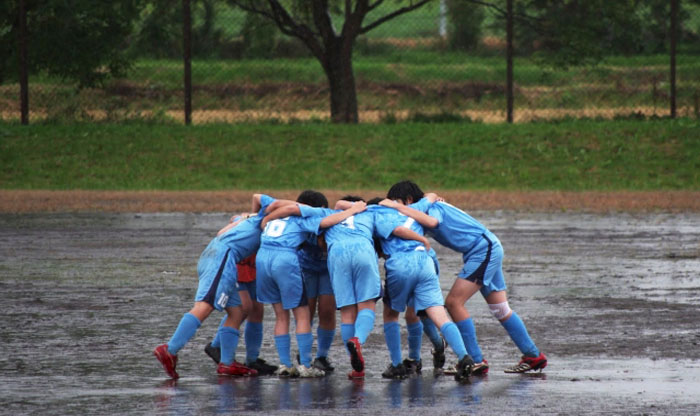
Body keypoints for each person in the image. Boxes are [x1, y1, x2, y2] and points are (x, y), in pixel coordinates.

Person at [382, 181, 547, 374]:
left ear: (409, 200)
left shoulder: (433, 208)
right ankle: (533, 356)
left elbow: (433, 222)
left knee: (453, 303)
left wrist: (398, 206)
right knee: (500, 309)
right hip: (484, 249)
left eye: (399, 203)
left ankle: (475, 360)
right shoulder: (424, 208)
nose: (397, 209)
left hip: (483, 250)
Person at [153, 194, 280, 379]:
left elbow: (226, 227)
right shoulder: (264, 222)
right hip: (222, 258)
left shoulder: (249, 220)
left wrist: (249, 216)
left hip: (218, 256)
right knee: (205, 306)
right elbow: (259, 198)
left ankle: (227, 364)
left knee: (238, 311)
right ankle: (170, 349)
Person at [255, 198, 367, 378]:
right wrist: (353, 209)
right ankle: (305, 364)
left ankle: (297, 362)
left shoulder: (280, 218)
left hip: (268, 258)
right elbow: (317, 217)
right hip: (293, 263)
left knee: (313, 312)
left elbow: (267, 201)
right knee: (304, 314)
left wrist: (264, 220)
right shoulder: (308, 216)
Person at [371, 199, 474, 381]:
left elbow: (397, 231)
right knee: (438, 315)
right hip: (425, 261)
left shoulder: (376, 214)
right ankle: (464, 357)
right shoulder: (409, 210)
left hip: (401, 263)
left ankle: (397, 366)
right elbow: (430, 196)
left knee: (391, 314)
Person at [203, 249, 278, 376]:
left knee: (257, 311)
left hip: (254, 265)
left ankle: (252, 360)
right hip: (238, 265)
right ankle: (216, 346)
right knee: (243, 308)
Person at [295, 190, 338, 373]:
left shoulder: (331, 221)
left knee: (327, 311)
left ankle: (322, 356)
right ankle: (303, 353)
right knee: (307, 311)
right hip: (306, 268)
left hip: (328, 270)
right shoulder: (299, 222)